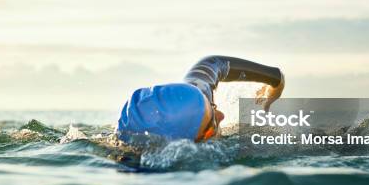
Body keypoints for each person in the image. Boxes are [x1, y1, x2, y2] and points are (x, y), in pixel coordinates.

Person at [116, 56, 284, 143]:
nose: (221, 116)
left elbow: (213, 63)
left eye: (212, 105)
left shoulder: (196, 94)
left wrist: (276, 85)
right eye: (211, 126)